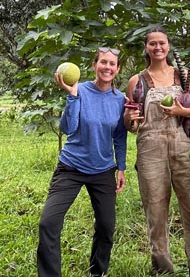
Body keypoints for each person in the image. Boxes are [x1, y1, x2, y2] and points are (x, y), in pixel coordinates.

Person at [124, 27, 190, 276]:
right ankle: (162, 268)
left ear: (168, 46)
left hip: (183, 145)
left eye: (161, 43)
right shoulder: (137, 80)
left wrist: (182, 112)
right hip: (150, 149)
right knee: (155, 211)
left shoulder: (183, 76)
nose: (158, 47)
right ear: (146, 48)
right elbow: (131, 125)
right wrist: (130, 118)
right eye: (152, 43)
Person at [37, 47, 127, 277]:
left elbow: (119, 136)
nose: (107, 67)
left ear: (117, 69)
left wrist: (121, 168)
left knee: (106, 227)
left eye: (112, 64)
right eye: (103, 62)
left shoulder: (120, 100)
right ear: (94, 65)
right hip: (71, 168)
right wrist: (72, 96)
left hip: (103, 170)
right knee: (48, 222)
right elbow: (68, 128)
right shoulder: (80, 90)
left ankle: (98, 272)